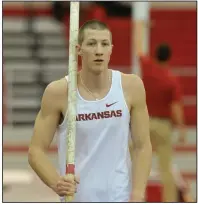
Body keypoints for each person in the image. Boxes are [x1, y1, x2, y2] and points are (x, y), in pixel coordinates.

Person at [28, 19, 152, 202]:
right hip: (77, 198)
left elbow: (142, 146)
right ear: (79, 49)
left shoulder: (131, 86)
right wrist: (56, 182)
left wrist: (138, 194)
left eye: (104, 44)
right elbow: (36, 151)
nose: (99, 51)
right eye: (92, 44)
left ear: (111, 49)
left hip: (120, 197)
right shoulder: (60, 92)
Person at [133, 20, 187, 202]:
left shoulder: (147, 68)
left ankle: (135, 197)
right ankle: (169, 201)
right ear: (169, 58)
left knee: (137, 162)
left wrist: (140, 27)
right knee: (166, 168)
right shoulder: (172, 80)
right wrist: (181, 128)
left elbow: (138, 48)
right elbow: (175, 107)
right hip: (163, 126)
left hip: (144, 122)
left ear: (155, 56)